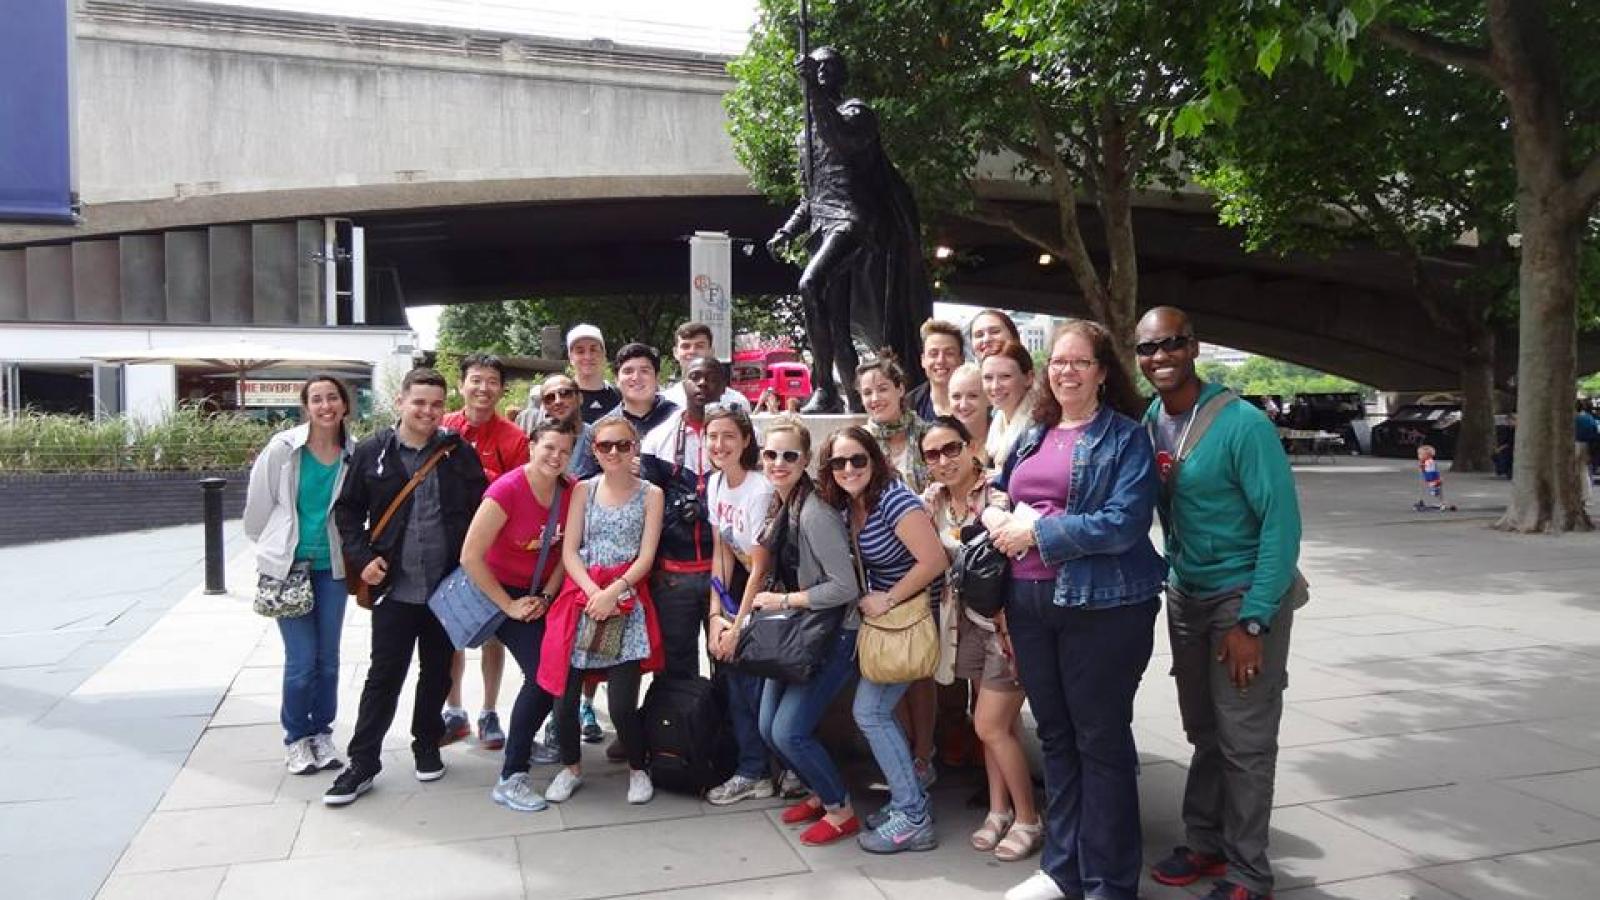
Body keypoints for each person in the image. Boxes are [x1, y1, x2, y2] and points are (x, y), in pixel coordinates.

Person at [983, 320, 1166, 900]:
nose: (1065, 371)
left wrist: (1038, 533)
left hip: (1104, 607)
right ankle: (1063, 870)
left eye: (1079, 362)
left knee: (1101, 742)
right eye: (1058, 361)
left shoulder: (1126, 437)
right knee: (1057, 739)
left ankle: (1110, 882)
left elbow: (1124, 523)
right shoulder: (1034, 432)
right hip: (1031, 603)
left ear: (1103, 372)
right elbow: (998, 487)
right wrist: (994, 516)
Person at [1136, 307, 1303, 900]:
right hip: (1188, 594)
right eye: (1148, 349)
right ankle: (1205, 842)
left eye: (1171, 344)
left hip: (1243, 597)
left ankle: (1250, 872)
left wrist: (1255, 619)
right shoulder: (1154, 418)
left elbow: (1281, 525)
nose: (1160, 357)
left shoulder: (1243, 425)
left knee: (1246, 739)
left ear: (1194, 347)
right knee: (1205, 727)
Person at [325, 368, 489, 807]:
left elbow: (485, 508)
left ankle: (426, 743)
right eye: (419, 402)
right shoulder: (374, 452)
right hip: (394, 589)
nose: (428, 411)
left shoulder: (457, 452)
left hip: (444, 591)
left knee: (437, 672)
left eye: (436, 404)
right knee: (384, 676)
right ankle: (362, 762)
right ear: (400, 402)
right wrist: (363, 559)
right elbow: (346, 512)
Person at [819, 426, 947, 854]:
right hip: (885, 623)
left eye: (858, 459)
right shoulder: (850, 504)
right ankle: (908, 801)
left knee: (870, 712)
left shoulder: (894, 499)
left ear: (874, 460)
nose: (849, 468)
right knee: (876, 713)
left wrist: (887, 597)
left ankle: (913, 816)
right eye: (839, 462)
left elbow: (934, 560)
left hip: (905, 621)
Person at [919, 416, 1041, 863]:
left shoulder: (996, 495)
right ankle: (998, 810)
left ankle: (1028, 819)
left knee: (988, 724)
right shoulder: (934, 501)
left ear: (971, 446)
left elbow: (1017, 558)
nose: (944, 461)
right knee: (993, 726)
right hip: (965, 623)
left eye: (951, 449)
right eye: (932, 454)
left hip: (1006, 626)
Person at [747, 415, 865, 845]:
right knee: (767, 728)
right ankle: (819, 791)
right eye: (771, 454)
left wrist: (784, 601)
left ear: (805, 460)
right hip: (798, 633)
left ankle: (841, 809)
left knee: (788, 731)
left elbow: (844, 586)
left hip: (832, 634)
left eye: (789, 455)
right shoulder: (782, 503)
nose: (778, 462)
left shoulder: (814, 513)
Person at [536, 415, 666, 805]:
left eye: (622, 445)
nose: (613, 452)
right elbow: (570, 549)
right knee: (564, 696)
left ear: (635, 448)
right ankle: (571, 766)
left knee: (622, 703)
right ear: (593, 450)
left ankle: (638, 767)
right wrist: (594, 592)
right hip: (583, 598)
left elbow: (646, 556)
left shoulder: (651, 494)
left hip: (625, 600)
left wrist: (615, 591)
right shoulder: (583, 491)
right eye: (605, 445)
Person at [458, 418, 578, 812]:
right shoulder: (507, 490)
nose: (556, 457)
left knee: (555, 671)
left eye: (564, 450)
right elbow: (470, 556)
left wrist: (545, 595)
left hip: (539, 595)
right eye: (549, 448)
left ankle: (524, 741)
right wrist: (508, 605)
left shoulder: (571, 490)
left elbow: (567, 552)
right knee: (544, 676)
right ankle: (512, 775)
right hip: (499, 592)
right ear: (531, 446)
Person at [243, 374, 357, 775]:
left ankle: (321, 733)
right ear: (306, 407)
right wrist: (274, 549)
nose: (326, 406)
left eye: (332, 398)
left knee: (328, 659)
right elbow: (257, 511)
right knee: (302, 660)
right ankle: (295, 738)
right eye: (317, 399)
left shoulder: (352, 454)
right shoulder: (284, 450)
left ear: (344, 405)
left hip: (333, 570)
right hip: (289, 570)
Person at [441, 353, 531, 751]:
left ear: (501, 388)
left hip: (493, 553)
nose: (483, 388)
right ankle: (453, 708)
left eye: (491, 381)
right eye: (475, 380)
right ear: (461, 385)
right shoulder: (442, 427)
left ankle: (489, 710)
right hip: (443, 544)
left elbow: (521, 494)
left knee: (493, 633)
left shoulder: (513, 439)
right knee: (450, 631)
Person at [702, 405, 777, 805]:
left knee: (753, 687)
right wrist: (716, 614)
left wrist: (740, 624)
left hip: (766, 596)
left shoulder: (759, 489)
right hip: (735, 593)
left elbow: (761, 565)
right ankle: (754, 769)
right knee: (734, 683)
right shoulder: (715, 484)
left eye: (729, 436)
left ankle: (760, 769)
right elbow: (722, 550)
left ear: (746, 440)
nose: (719, 445)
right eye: (712, 436)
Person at [637, 355, 725, 680]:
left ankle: (727, 730)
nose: (703, 383)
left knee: (730, 665)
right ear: (683, 382)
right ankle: (683, 731)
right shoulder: (657, 439)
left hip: (724, 575)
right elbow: (648, 513)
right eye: (695, 376)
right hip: (674, 577)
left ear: (724, 383)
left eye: (711, 377)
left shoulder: (740, 437)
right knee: (677, 671)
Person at [859, 353, 932, 494]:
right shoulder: (860, 442)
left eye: (883, 389)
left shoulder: (927, 433)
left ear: (900, 389)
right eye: (867, 393)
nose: (875, 399)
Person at [662, 321, 750, 411]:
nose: (692, 351)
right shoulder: (663, 402)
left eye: (699, 346)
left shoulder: (736, 401)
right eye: (686, 346)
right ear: (675, 353)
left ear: (711, 351)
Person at [984, 341, 1037, 471]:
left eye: (1005, 376)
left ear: (1028, 378)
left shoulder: (1039, 428)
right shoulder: (997, 421)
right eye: (988, 378)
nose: (995, 386)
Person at [609, 342, 678, 435]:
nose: (636, 377)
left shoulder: (679, 419)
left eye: (644, 371)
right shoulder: (604, 428)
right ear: (616, 380)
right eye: (628, 371)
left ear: (657, 378)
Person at [905, 319, 965, 420]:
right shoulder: (907, 406)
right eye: (934, 354)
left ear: (961, 359)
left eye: (949, 353)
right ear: (923, 360)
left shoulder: (980, 403)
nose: (941, 360)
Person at [567, 324, 622, 424]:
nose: (587, 357)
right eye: (580, 351)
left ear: (603, 354)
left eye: (593, 350)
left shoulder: (620, 397)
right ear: (570, 357)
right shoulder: (559, 397)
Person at [949, 362, 991, 466]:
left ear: (989, 398)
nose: (963, 405)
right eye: (956, 396)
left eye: (972, 396)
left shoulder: (1004, 434)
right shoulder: (942, 438)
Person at [1414, 444, 1457, 511]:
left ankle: (1443, 504)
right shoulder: (1427, 461)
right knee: (1437, 492)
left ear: (1427, 455)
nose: (1418, 456)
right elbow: (1425, 470)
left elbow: (1430, 469)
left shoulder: (1430, 461)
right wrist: (1422, 466)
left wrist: (1422, 465)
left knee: (1436, 493)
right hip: (1431, 480)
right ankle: (1442, 503)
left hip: (1434, 481)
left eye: (1420, 454)